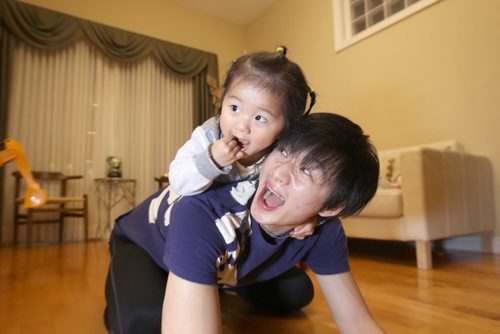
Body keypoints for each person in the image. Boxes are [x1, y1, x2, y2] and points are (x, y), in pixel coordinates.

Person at [104, 113, 384, 334]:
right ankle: (177, 283)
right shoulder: (204, 214)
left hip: (222, 259)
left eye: (307, 171)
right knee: (145, 322)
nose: (279, 174)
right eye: (284, 151)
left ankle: (206, 281)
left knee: (295, 292)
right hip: (143, 243)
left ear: (332, 207)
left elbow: (358, 324)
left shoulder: (325, 230)